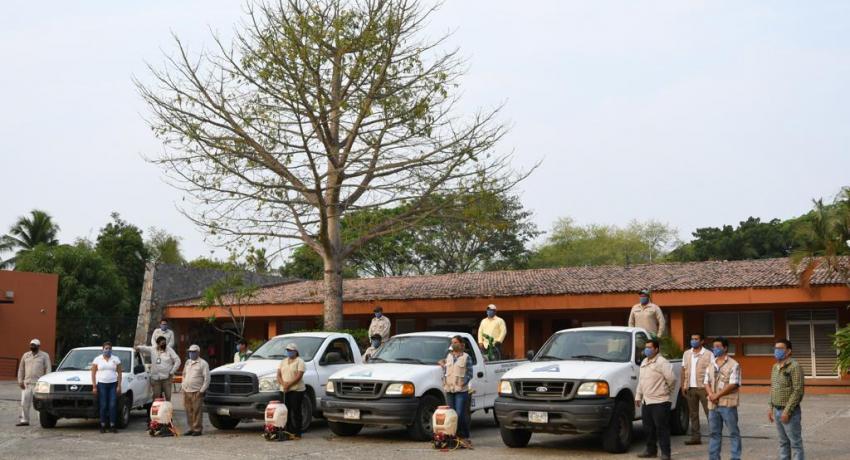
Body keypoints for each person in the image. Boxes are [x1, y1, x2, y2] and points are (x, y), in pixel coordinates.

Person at [635, 338, 674, 460]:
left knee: (661, 428)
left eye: (650, 347)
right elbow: (641, 381)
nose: (647, 350)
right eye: (646, 347)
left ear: (656, 349)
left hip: (660, 401)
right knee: (648, 428)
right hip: (646, 401)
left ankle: (665, 453)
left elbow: (672, 379)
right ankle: (651, 450)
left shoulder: (662, 362)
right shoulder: (644, 362)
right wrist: (638, 396)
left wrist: (667, 391)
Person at [704, 337, 742, 460]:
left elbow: (733, 384)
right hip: (713, 405)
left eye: (718, 346)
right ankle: (714, 457)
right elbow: (706, 382)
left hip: (727, 405)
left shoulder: (734, 364)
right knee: (714, 434)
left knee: (733, 433)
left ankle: (735, 457)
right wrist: (711, 394)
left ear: (725, 348)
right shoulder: (711, 364)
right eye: (714, 346)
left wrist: (717, 395)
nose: (715, 349)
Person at [769, 339, 805, 460]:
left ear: (789, 351)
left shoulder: (794, 366)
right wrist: (770, 407)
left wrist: (787, 411)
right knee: (783, 442)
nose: (777, 351)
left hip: (790, 412)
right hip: (777, 410)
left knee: (795, 443)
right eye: (775, 348)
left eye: (780, 348)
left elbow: (798, 391)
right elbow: (773, 387)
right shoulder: (775, 367)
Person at [440, 335, 473, 445]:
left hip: (461, 390)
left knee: (460, 414)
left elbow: (470, 373)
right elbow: (447, 371)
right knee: (451, 415)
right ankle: (453, 436)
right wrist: (443, 366)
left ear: (461, 344)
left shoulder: (466, 357)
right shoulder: (448, 356)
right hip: (449, 389)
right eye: (452, 342)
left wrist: (464, 382)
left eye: (455, 342)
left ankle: (465, 436)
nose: (453, 344)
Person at [681, 332, 711, 445]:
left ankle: (714, 436)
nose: (693, 341)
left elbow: (713, 372)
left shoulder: (708, 354)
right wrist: (683, 385)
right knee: (693, 414)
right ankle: (695, 438)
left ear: (702, 341)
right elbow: (683, 369)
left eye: (696, 339)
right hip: (690, 388)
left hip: (704, 388)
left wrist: (711, 389)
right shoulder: (687, 354)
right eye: (692, 338)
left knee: (710, 413)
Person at [16, 338, 51, 426]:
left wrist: (46, 382)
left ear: (39, 346)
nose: (32, 346)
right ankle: (25, 420)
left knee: (40, 403)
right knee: (24, 403)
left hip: (39, 384)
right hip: (27, 383)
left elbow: (48, 369)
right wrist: (20, 381)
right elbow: (21, 369)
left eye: (34, 345)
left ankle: (42, 421)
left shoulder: (44, 355)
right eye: (31, 345)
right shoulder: (25, 355)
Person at [135, 336, 181, 401]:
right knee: (156, 397)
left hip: (167, 378)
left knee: (168, 396)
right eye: (162, 343)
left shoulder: (169, 350)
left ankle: (167, 409)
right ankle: (157, 410)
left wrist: (172, 371)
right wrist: (138, 348)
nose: (164, 345)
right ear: (158, 344)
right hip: (156, 378)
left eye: (165, 343)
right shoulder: (153, 349)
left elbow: (178, 361)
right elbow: (144, 348)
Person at [91, 342, 122, 433]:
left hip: (113, 384)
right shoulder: (97, 359)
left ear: (111, 349)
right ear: (103, 349)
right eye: (106, 348)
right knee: (103, 405)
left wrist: (119, 386)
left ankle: (112, 425)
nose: (107, 350)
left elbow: (119, 373)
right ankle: (103, 425)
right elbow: (93, 373)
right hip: (102, 384)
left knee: (112, 405)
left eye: (109, 348)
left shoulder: (115, 359)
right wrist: (94, 386)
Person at [277, 343, 306, 440]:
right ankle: (288, 431)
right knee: (286, 411)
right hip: (284, 390)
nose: (288, 352)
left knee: (296, 411)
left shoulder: (300, 361)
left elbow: (299, 376)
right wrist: (283, 384)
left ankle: (298, 433)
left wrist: (289, 384)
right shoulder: (283, 361)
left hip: (296, 390)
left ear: (295, 351)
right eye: (287, 350)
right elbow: (278, 375)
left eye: (290, 350)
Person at [181, 344, 210, 436]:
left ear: (198, 352)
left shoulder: (203, 363)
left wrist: (202, 391)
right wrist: (183, 385)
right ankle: (191, 428)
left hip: (197, 391)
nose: (191, 354)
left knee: (197, 411)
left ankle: (197, 429)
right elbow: (184, 374)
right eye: (190, 352)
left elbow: (207, 379)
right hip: (187, 391)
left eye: (193, 352)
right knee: (188, 410)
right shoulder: (187, 362)